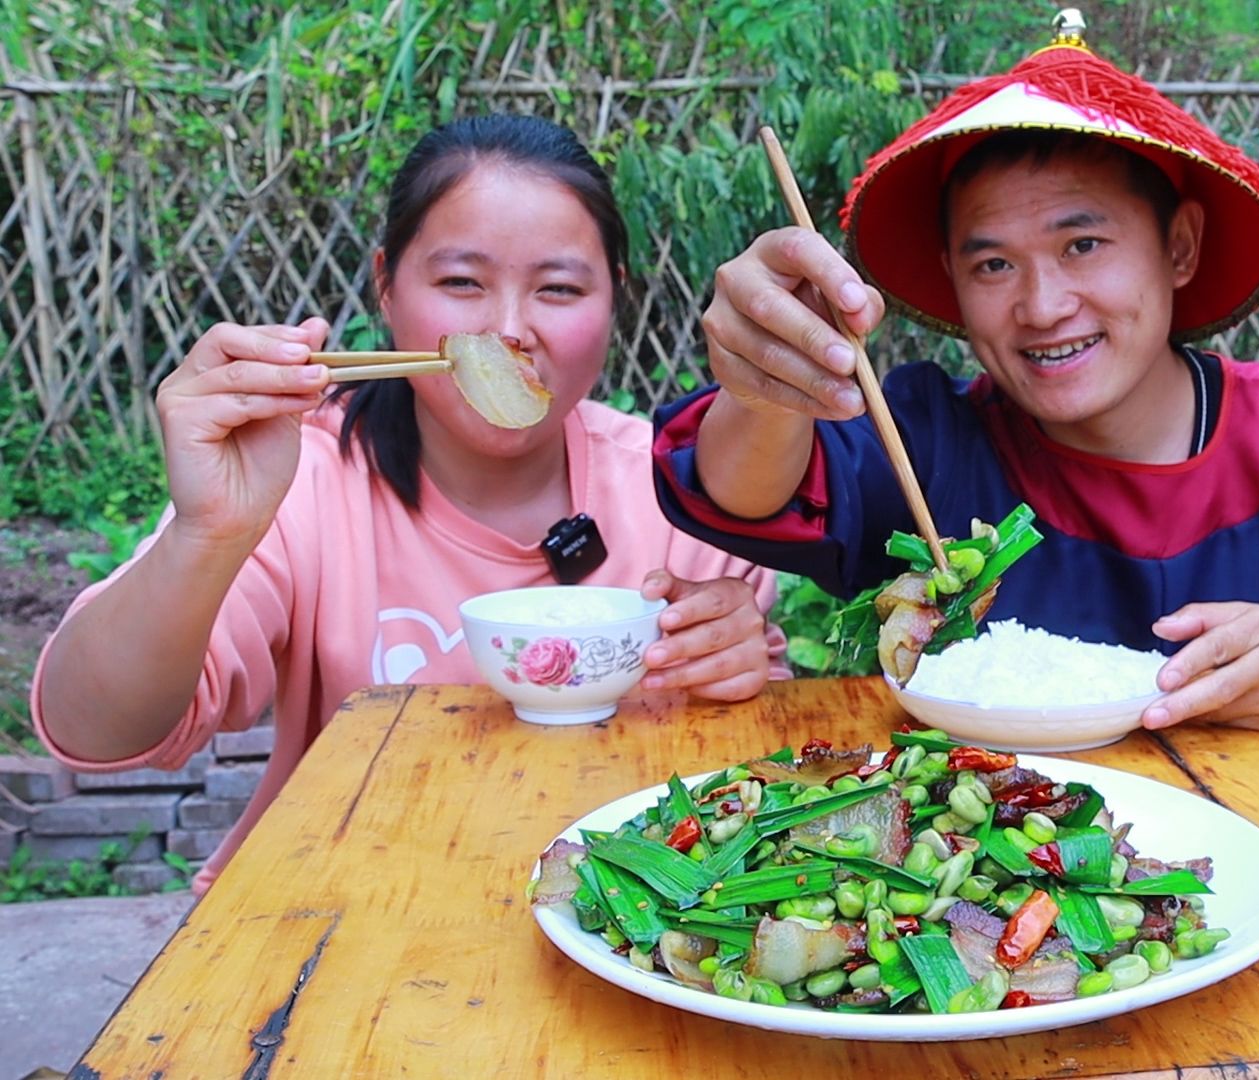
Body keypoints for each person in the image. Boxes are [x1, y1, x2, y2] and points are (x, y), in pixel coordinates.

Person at [652, 20, 1259, 799]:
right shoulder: (929, 437)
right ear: (951, 277)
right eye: (992, 263)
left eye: (1083, 245)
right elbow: (743, 493)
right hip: (963, 918)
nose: (1041, 304)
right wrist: (765, 386)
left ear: (1180, 248)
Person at [33, 114, 784, 895]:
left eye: (559, 289)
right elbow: (94, 732)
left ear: (613, 299)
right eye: (461, 282)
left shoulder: (687, 495)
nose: (507, 331)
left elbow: (755, 772)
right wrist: (207, 534)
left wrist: (739, 663)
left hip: (622, 930)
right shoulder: (302, 477)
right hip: (335, 917)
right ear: (386, 284)